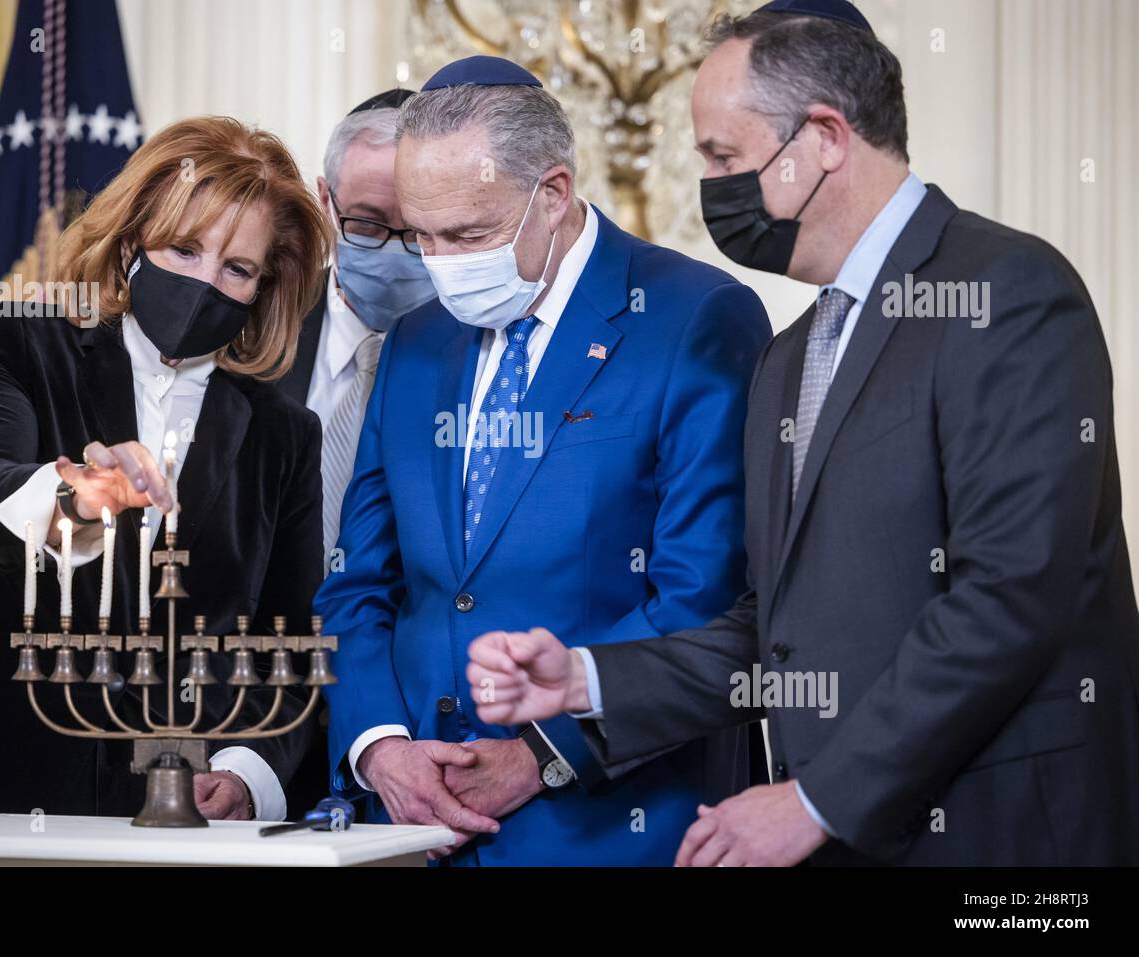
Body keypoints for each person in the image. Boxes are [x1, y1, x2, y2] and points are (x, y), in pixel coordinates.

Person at [467, 0, 1139, 866]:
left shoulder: (1008, 291)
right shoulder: (788, 356)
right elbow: (772, 627)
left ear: (824, 136)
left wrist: (818, 800)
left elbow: (1008, 598)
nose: (711, 185)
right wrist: (590, 678)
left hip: (1007, 844)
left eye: (723, 155)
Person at [316, 55, 772, 865]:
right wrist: (382, 749)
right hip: (416, 834)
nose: (442, 263)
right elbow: (358, 582)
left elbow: (704, 602)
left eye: (468, 234)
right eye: (422, 236)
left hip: (614, 828)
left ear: (553, 194)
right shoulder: (416, 343)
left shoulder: (695, 318)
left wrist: (541, 751)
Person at [0, 116, 329, 830]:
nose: (204, 283)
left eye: (237, 269)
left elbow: (290, 639)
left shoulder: (284, 435)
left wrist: (246, 771)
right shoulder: (25, 343)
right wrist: (82, 492)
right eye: (185, 249)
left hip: (157, 817)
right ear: (132, 242)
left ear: (265, 286)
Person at [279, 87, 436, 564]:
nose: (393, 250)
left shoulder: (492, 352)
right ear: (326, 201)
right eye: (366, 225)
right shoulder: (257, 328)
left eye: (416, 230)